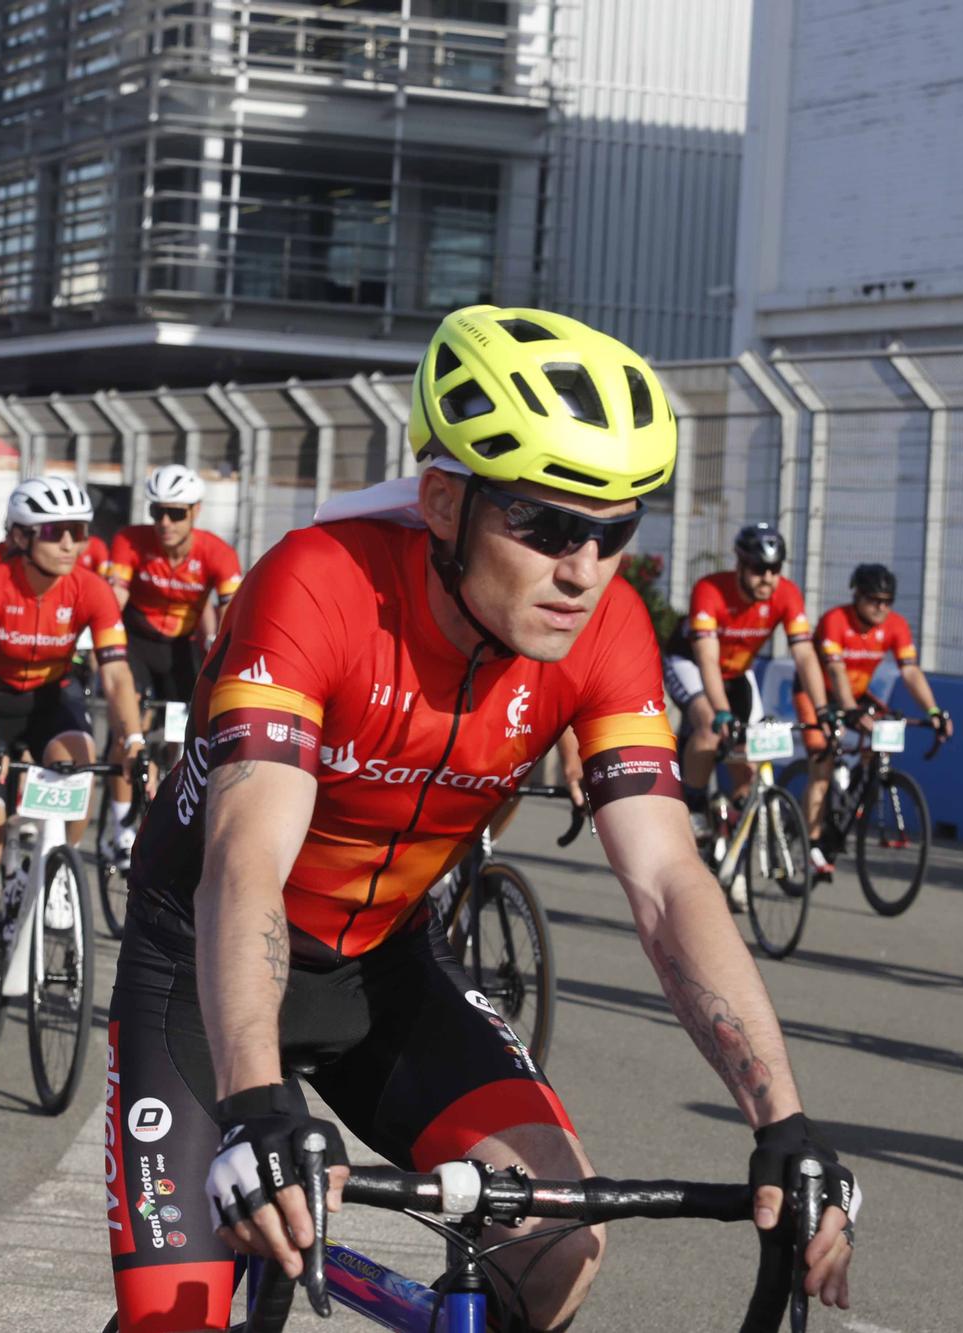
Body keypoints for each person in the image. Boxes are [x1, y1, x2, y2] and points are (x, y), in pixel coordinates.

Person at [104, 306, 855, 1332]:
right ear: (445, 501)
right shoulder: (319, 583)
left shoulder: (607, 629)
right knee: (176, 1322)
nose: (582, 569)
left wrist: (783, 1118)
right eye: (545, 526)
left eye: (614, 531)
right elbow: (244, 863)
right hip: (203, 966)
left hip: (386, 968)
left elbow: (667, 881)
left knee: (557, 1244)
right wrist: (253, 1103)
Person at [0, 476, 142, 1038]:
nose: (72, 543)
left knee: (79, 756)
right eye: (57, 532)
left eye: (81, 531)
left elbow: (119, 675)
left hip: (51, 700)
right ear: (22, 536)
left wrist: (132, 740)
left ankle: (56, 869)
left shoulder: (90, 589)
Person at [660, 522, 835, 903]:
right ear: (740, 565)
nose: (767, 578)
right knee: (710, 727)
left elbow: (804, 654)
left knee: (749, 762)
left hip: (737, 673)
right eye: (759, 569)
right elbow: (706, 658)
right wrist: (721, 712)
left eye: (775, 570)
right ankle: (693, 808)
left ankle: (731, 853)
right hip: (690, 662)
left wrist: (823, 710)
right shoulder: (710, 590)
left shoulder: (787, 595)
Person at [100, 464, 243, 861]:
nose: (164, 522)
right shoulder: (131, 540)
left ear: (195, 512)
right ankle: (120, 825)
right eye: (157, 511)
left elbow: (233, 614)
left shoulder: (217, 553)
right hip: (137, 640)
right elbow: (115, 600)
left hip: (183, 647)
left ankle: (172, 808)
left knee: (187, 733)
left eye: (176, 513)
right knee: (131, 727)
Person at [802, 563, 953, 880]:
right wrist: (848, 709)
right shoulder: (835, 621)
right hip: (819, 694)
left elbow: (910, 672)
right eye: (874, 600)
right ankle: (812, 842)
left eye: (888, 601)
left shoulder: (895, 625)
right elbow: (835, 669)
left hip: (858, 695)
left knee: (878, 737)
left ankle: (853, 791)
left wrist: (934, 712)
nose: (882, 607)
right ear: (857, 595)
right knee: (823, 762)